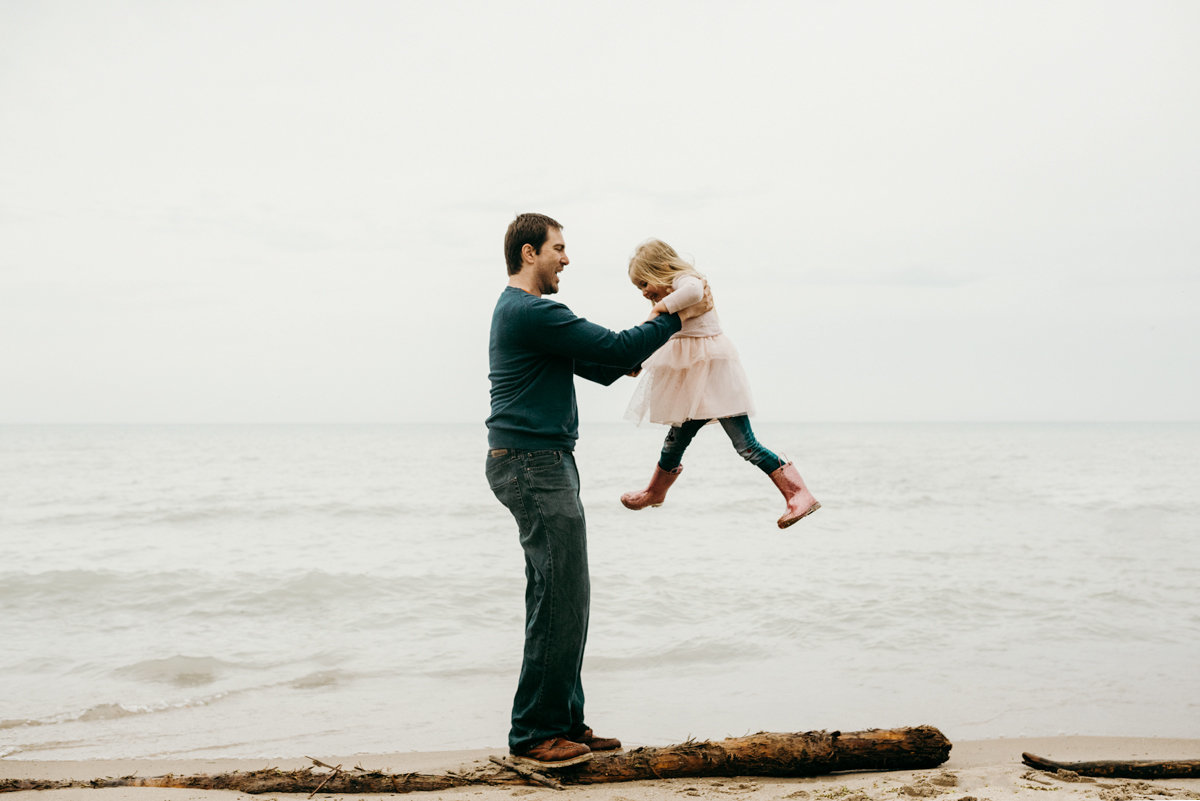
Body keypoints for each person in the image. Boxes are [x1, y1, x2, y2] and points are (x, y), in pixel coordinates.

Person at [486, 214, 712, 769]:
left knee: (562, 594)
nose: (566, 259)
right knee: (562, 594)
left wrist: (642, 351)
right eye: (559, 249)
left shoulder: (529, 316)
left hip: (540, 461)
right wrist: (669, 310)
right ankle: (537, 733)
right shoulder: (531, 310)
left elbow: (607, 362)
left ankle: (562, 722)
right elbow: (611, 348)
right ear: (529, 252)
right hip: (532, 464)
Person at [620, 238, 820, 529]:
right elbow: (656, 336)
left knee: (746, 445)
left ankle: (799, 494)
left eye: (644, 283)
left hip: (715, 378)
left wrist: (658, 308)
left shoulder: (686, 281)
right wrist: (636, 361)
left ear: (661, 269)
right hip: (691, 386)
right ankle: (655, 492)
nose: (644, 293)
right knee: (675, 440)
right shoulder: (670, 305)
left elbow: (694, 290)